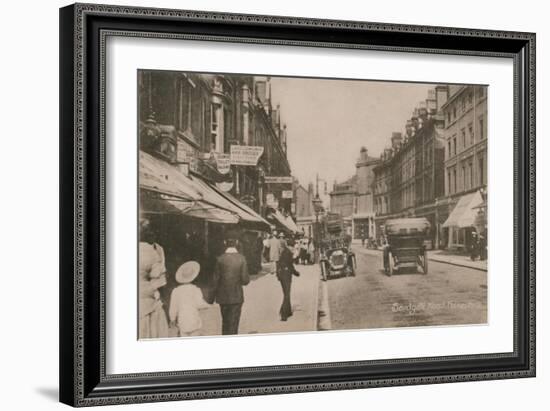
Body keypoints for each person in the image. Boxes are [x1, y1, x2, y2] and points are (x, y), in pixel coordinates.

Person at [212, 234, 250, 335]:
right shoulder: (242, 259)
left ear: (225, 243)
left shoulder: (220, 259)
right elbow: (245, 280)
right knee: (234, 325)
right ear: (237, 243)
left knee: (225, 323)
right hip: (237, 296)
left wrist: (211, 297)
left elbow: (215, 280)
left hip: (223, 297)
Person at [139, 218, 170, 339]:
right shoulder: (149, 251)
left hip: (155, 282)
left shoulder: (159, 249)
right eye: (149, 232)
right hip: (151, 288)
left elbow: (162, 264)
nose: (152, 235)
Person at [169, 261, 210, 337]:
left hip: (182, 321)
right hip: (194, 320)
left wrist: (172, 319)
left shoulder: (176, 291)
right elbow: (199, 304)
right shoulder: (196, 290)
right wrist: (208, 305)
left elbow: (173, 307)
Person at [277, 237, 300, 321]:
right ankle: (283, 314)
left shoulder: (284, 252)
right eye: (293, 246)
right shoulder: (288, 253)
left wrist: (278, 275)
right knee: (287, 294)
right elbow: (290, 266)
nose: (293, 248)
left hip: (282, 275)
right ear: (291, 246)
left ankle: (288, 311)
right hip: (286, 276)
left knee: (286, 293)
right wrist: (296, 273)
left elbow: (279, 264)